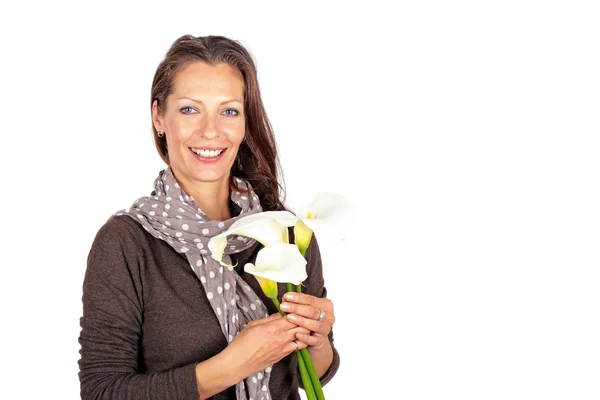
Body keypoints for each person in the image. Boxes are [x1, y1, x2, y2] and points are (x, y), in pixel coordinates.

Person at [77, 34, 340, 400]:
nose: (210, 131)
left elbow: (312, 372)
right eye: (189, 109)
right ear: (159, 117)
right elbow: (101, 392)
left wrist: (317, 338)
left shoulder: (286, 232)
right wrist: (231, 366)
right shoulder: (126, 243)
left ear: (246, 122)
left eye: (229, 111)